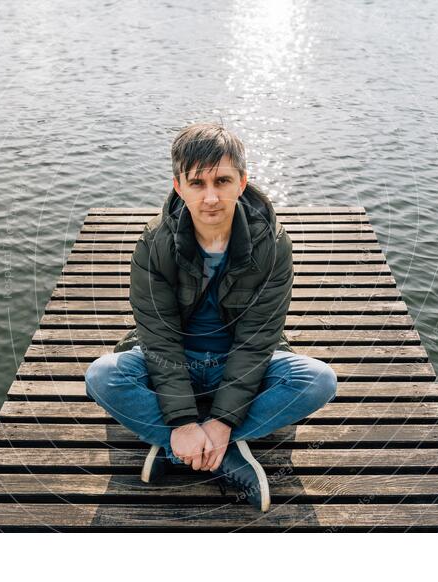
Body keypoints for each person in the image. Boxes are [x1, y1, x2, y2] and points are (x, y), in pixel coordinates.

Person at [84, 122, 338, 512]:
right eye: (197, 183)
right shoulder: (153, 244)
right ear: (178, 186)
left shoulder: (272, 244)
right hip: (173, 360)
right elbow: (159, 337)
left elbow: (256, 339)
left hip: (237, 361)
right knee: (102, 376)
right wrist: (184, 420)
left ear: (242, 181)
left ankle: (185, 447)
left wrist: (220, 421)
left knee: (318, 380)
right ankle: (208, 445)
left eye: (222, 181)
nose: (211, 197)